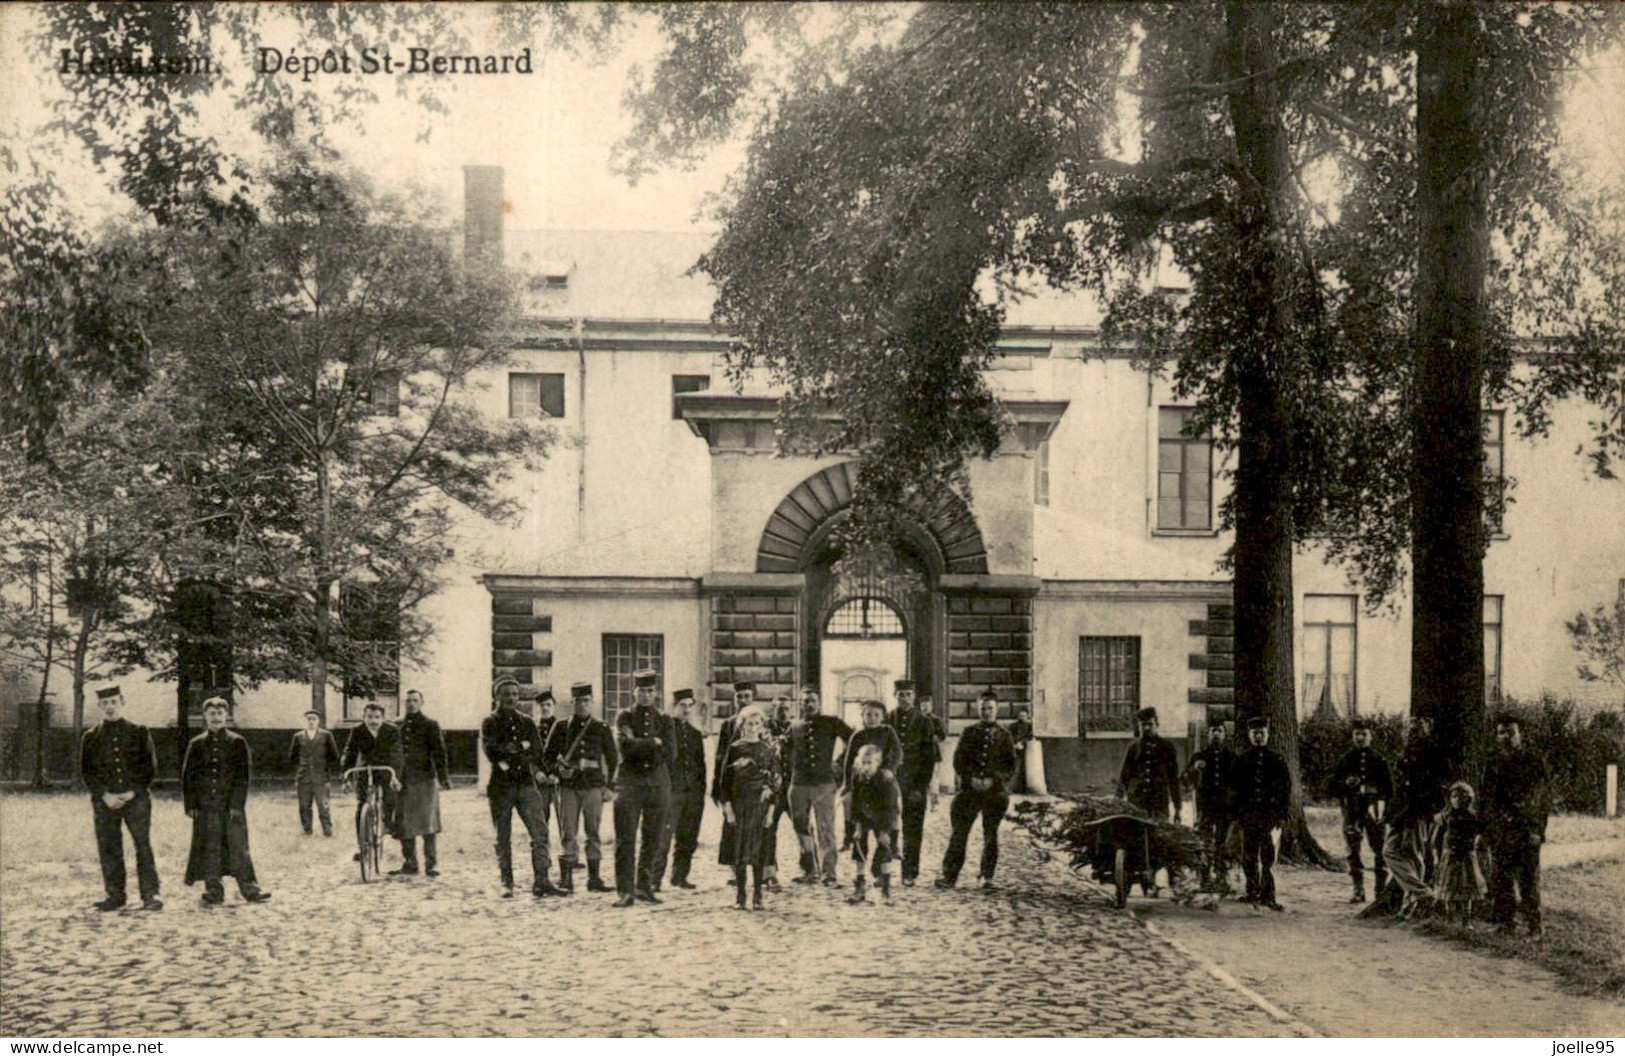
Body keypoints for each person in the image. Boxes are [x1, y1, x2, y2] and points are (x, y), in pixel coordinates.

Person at [182, 696, 270, 906]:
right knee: (210, 848)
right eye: (212, 714)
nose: (216, 717)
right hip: (205, 806)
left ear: (226, 716)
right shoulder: (196, 744)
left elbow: (242, 777)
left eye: (220, 713)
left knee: (238, 847)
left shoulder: (237, 742)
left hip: (230, 806)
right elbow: (188, 776)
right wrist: (191, 805)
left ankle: (250, 889)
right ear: (205, 717)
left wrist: (236, 805)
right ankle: (214, 891)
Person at [80, 686, 162, 912]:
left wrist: (133, 791)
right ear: (100, 706)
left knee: (142, 845)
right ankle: (115, 895)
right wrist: (104, 795)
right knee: (109, 846)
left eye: (113, 702)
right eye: (105, 703)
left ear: (122, 702)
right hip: (105, 802)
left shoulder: (139, 731)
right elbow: (87, 772)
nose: (109, 707)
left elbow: (149, 767)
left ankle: (150, 894)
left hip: (136, 800)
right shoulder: (91, 737)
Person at [481, 678, 564, 898]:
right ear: (497, 696)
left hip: (526, 784)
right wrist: (520, 747)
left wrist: (511, 750)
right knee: (503, 836)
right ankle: (506, 882)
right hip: (501, 787)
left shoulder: (527, 722)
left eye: (515, 694)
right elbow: (492, 752)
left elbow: (537, 751)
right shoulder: (489, 722)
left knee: (540, 831)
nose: (511, 698)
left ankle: (542, 881)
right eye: (506, 694)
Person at [936, 688, 1017, 889]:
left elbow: (1010, 766)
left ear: (997, 710)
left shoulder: (1005, 735)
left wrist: (994, 780)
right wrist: (970, 778)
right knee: (959, 833)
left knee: (991, 835)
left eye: (990, 708)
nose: (986, 712)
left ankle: (986, 877)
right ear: (977, 709)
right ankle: (949, 876)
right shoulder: (969, 732)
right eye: (983, 708)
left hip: (994, 793)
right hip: (970, 792)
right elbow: (958, 760)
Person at [1482, 712, 1550, 938]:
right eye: (1501, 733)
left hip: (1526, 829)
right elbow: (1487, 799)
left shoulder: (1533, 761)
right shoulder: (1493, 763)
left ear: (1520, 734)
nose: (1505, 737)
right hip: (1500, 830)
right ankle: (1506, 923)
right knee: (1501, 877)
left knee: (1528, 879)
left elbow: (1541, 800)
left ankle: (1534, 925)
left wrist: (1536, 830)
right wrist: (1486, 830)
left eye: (1510, 732)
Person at [613, 669, 674, 907]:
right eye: (641, 691)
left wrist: (641, 744)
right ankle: (625, 891)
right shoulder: (624, 717)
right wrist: (654, 743)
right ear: (634, 691)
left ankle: (644, 886)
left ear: (656, 693)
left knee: (653, 838)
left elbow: (670, 752)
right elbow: (625, 748)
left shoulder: (664, 720)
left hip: (658, 785)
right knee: (625, 838)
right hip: (629, 785)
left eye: (650, 691)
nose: (646, 695)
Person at [1381, 715, 1445, 917]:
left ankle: (1411, 905)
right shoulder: (1406, 753)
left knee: (1415, 857)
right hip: (1400, 814)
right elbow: (1398, 788)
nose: (1414, 730)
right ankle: (1422, 893)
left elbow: (1431, 790)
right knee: (1390, 852)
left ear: (1428, 728)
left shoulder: (1432, 756)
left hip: (1418, 813)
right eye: (1411, 726)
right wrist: (1390, 813)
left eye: (1419, 726)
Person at [787, 687, 852, 887]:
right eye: (805, 701)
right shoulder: (794, 726)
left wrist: (840, 765)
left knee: (826, 829)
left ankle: (829, 874)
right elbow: (784, 751)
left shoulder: (831, 722)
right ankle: (808, 871)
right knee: (801, 829)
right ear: (800, 703)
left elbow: (854, 740)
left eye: (813, 700)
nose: (809, 704)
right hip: (798, 785)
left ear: (820, 702)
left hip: (823, 784)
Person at [556, 682, 618, 893]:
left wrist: (610, 787)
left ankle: (594, 879)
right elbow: (547, 756)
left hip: (593, 786)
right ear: (572, 703)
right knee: (568, 831)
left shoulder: (601, 727)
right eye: (578, 701)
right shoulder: (561, 727)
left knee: (593, 831)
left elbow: (613, 759)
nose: (582, 705)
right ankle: (566, 880)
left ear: (592, 703)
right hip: (569, 787)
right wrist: (559, 771)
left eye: (586, 701)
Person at [719, 706, 780, 911]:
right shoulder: (735, 748)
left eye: (756, 723)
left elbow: (774, 782)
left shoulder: (767, 749)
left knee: (758, 852)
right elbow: (725, 781)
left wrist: (771, 811)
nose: (753, 727)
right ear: (741, 725)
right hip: (739, 804)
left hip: (760, 807)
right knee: (739, 852)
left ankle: (758, 895)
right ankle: (740, 895)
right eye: (749, 723)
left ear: (761, 725)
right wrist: (728, 808)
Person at [1229, 715, 1290, 911]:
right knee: (1248, 855)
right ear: (1249, 735)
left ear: (1268, 735)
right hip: (1249, 815)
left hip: (1268, 816)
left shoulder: (1277, 760)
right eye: (1254, 734)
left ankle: (1268, 895)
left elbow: (1285, 790)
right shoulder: (1241, 760)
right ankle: (1251, 891)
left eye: (1261, 733)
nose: (1258, 737)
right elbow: (1233, 790)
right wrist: (1238, 814)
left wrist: (1280, 814)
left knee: (1268, 857)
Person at [1331, 717, 1392, 903]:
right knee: (1353, 851)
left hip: (1374, 811)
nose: (1360, 737)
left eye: (1364, 734)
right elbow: (1332, 786)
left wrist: (1382, 806)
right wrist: (1345, 784)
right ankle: (1358, 891)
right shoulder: (1346, 760)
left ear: (1370, 736)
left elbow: (1389, 789)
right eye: (1357, 734)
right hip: (1352, 810)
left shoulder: (1379, 760)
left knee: (1380, 849)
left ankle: (1380, 892)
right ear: (1352, 736)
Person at [887, 679, 940, 887]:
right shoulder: (888, 718)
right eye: (901, 695)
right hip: (890, 782)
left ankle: (909, 873)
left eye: (909, 694)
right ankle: (882, 869)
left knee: (912, 828)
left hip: (914, 782)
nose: (905, 698)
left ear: (914, 697)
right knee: (885, 825)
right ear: (895, 696)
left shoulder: (924, 721)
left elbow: (928, 758)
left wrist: (920, 786)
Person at [394, 690, 451, 877]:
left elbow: (439, 752)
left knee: (428, 822)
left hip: (425, 779)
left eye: (415, 700)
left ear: (421, 702)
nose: (411, 704)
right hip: (402, 780)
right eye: (408, 701)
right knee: (404, 823)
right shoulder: (396, 725)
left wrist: (443, 777)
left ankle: (431, 864)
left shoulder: (430, 725)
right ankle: (410, 863)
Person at [341, 702, 404, 861]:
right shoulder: (357, 730)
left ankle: (388, 823)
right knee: (361, 805)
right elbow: (349, 753)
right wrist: (346, 777)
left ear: (383, 718)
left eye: (377, 717)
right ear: (364, 717)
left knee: (390, 798)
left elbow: (397, 754)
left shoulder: (391, 730)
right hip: (365, 770)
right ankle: (363, 847)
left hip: (385, 769)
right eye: (369, 717)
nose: (373, 721)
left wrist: (395, 775)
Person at [661, 689, 708, 889]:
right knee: (663, 837)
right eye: (683, 705)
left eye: (690, 706)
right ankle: (653, 879)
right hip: (672, 791)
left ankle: (680, 876)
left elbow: (701, 766)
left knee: (688, 837)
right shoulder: (665, 731)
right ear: (674, 707)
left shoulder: (695, 734)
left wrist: (700, 791)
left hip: (693, 793)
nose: (687, 710)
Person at [842, 698, 903, 849]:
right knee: (848, 801)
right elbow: (848, 762)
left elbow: (898, 753)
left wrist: (890, 769)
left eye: (876, 715)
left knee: (895, 804)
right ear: (863, 716)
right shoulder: (857, 735)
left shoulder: (888, 732)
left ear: (882, 716)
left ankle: (893, 843)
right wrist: (847, 785)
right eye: (868, 715)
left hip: (884, 776)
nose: (872, 718)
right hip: (862, 777)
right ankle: (848, 836)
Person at [846, 744, 902, 905]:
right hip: (864, 817)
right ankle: (860, 888)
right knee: (859, 848)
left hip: (883, 817)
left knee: (885, 850)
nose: (866, 767)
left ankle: (886, 891)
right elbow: (855, 803)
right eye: (863, 763)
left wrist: (884, 831)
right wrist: (856, 825)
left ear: (878, 763)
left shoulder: (886, 780)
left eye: (870, 762)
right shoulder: (858, 778)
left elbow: (891, 808)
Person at [1182, 724, 1234, 893]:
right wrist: (1194, 769)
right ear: (1208, 734)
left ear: (1225, 735)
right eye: (1213, 731)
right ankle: (1205, 879)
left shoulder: (1231, 757)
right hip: (1205, 807)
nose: (1216, 734)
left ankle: (1221, 878)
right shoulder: (1199, 755)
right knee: (1204, 842)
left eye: (1219, 731)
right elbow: (1184, 779)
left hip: (1225, 808)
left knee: (1222, 843)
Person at [1430, 780, 1487, 924]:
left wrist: (1476, 844)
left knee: (1467, 885)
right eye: (1454, 796)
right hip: (1449, 854)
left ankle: (1466, 919)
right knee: (1448, 883)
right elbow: (1436, 837)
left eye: (1461, 797)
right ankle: (1449, 916)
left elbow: (1480, 834)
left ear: (1468, 798)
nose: (1457, 800)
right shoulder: (1445, 816)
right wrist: (1437, 854)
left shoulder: (1473, 816)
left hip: (1467, 855)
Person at [712, 682, 752, 879]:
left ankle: (762, 871)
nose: (743, 701)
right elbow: (720, 756)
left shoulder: (759, 721)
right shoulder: (727, 725)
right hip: (733, 784)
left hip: (754, 784)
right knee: (731, 825)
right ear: (734, 700)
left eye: (747, 696)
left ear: (752, 698)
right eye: (739, 697)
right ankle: (736, 871)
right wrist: (717, 785)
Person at [1117, 707, 1181, 822]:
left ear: (1157, 724)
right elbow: (1124, 776)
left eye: (1150, 724)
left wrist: (1178, 808)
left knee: (1159, 836)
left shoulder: (1167, 747)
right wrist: (1117, 800)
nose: (1146, 728)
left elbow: (1174, 779)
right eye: (1143, 725)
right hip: (1136, 803)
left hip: (1159, 804)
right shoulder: (1134, 748)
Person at [287, 709, 341, 837]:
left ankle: (327, 831)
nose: (311, 721)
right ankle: (307, 830)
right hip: (303, 777)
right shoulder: (298, 737)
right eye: (308, 719)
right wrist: (300, 769)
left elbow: (333, 756)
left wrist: (327, 771)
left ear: (318, 721)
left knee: (323, 805)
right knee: (304, 805)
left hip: (321, 777)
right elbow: (292, 757)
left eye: (313, 719)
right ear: (304, 721)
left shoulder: (326, 735)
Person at [1007, 706, 1034, 795]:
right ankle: (1012, 788)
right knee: (1015, 769)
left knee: (1025, 771)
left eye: (1023, 716)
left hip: (1026, 751)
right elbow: (1008, 736)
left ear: (1027, 717)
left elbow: (1030, 737)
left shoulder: (1030, 726)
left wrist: (1022, 742)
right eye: (1020, 715)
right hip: (1014, 750)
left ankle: (1023, 789)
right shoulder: (1012, 726)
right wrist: (1014, 744)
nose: (1022, 717)